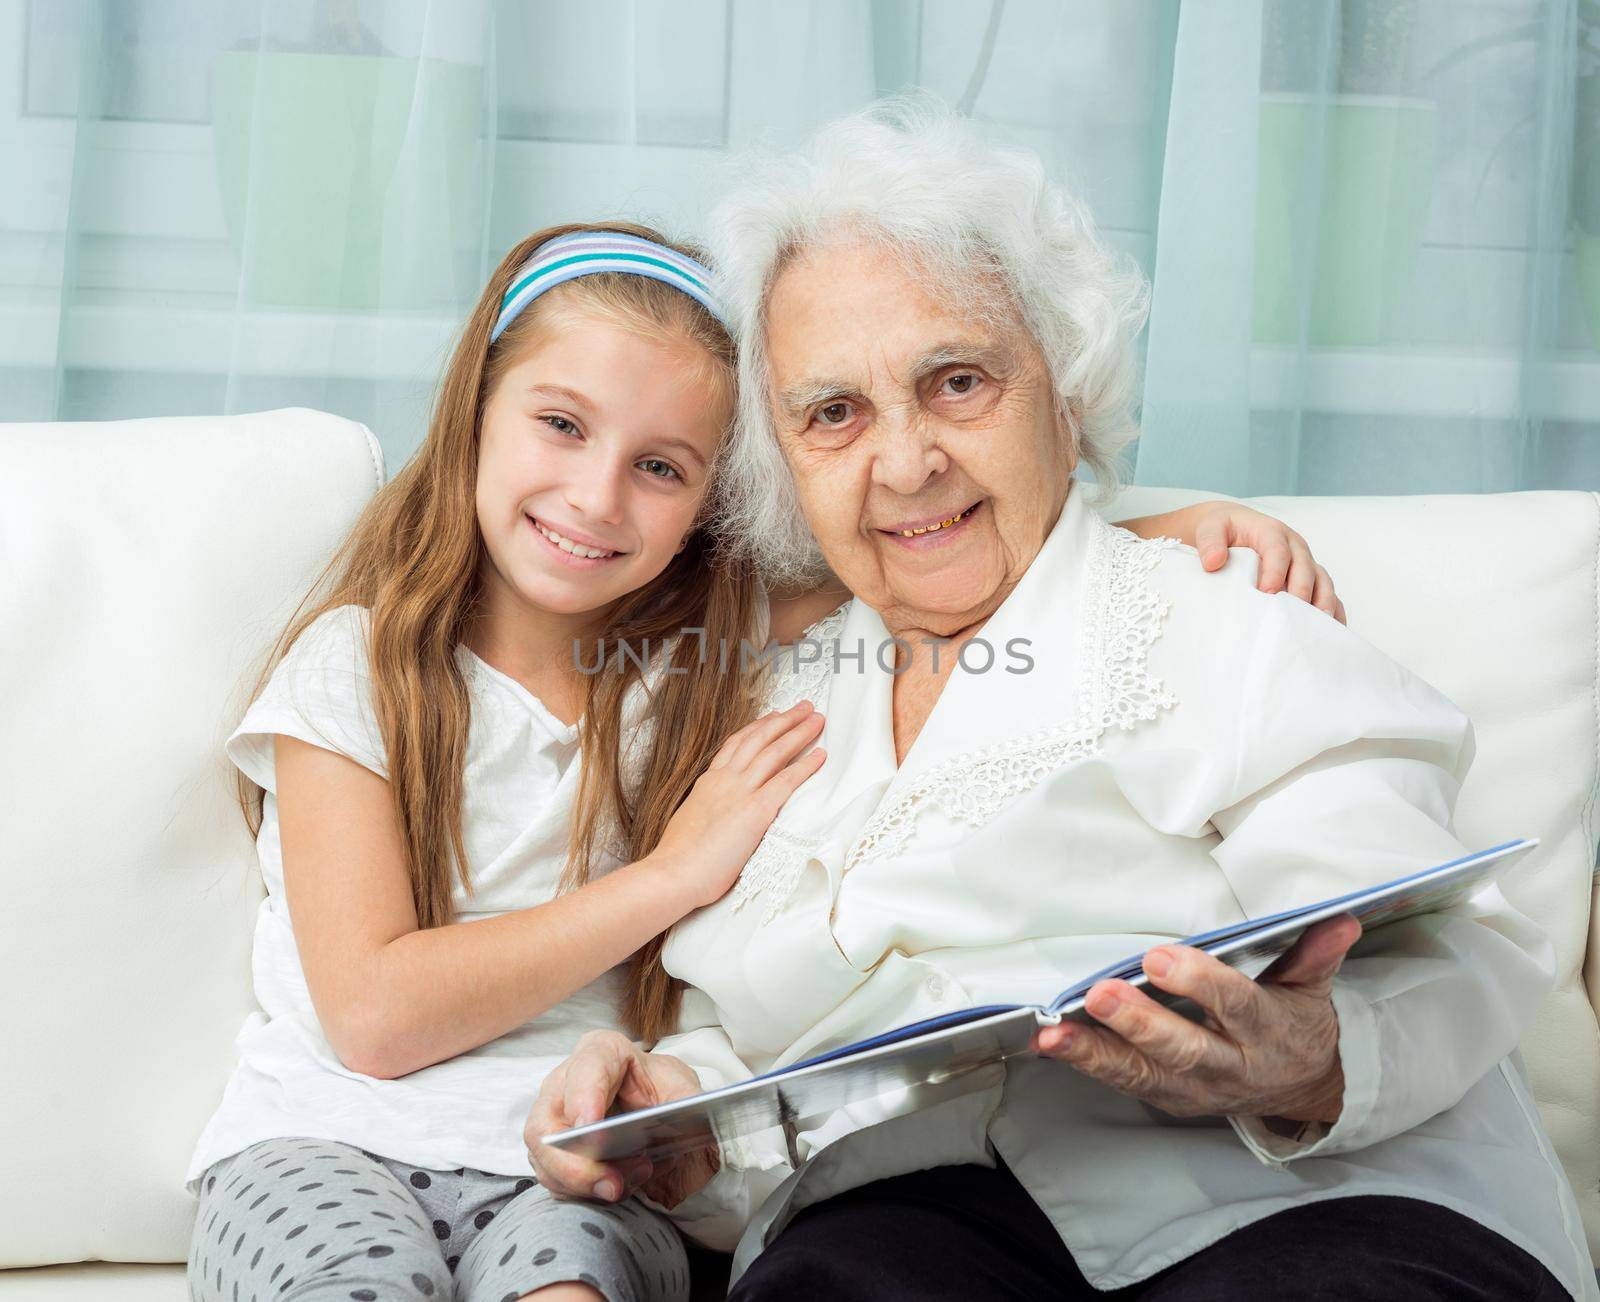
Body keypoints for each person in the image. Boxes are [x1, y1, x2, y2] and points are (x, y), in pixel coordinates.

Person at [525, 102, 1597, 1301]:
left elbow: (1448, 942)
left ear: (1067, 393)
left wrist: (1307, 1059)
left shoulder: (1221, 620)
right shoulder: (761, 713)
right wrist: (675, 1122)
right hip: (908, 1231)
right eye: (834, 413)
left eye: (958, 382)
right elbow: (755, 1056)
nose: (906, 461)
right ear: (782, 463)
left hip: (1296, 1203)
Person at [185, 219, 1323, 1302]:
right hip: (323, 1136)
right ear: (476, 409)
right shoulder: (363, 668)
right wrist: (671, 877)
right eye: (562, 426)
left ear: (715, 505)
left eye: (662, 468)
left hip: (580, 1161)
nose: (596, 497)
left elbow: (945, 555)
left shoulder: (699, 658)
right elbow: (376, 1020)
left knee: (565, 1284)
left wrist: (1165, 537)